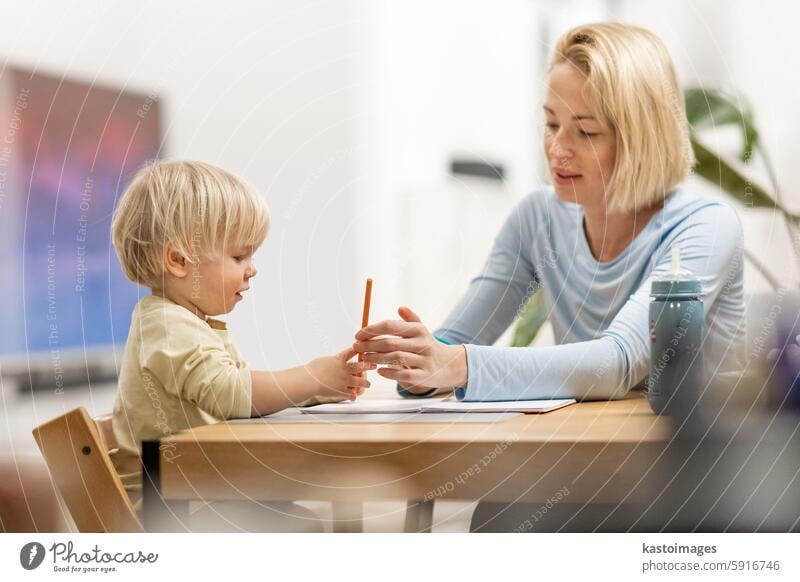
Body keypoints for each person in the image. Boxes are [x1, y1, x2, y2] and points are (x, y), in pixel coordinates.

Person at [353, 22, 745, 531]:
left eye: (585, 131)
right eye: (550, 123)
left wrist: (454, 364)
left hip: (700, 480)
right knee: (497, 518)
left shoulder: (704, 226)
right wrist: (413, 360)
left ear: (639, 139)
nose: (558, 149)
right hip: (589, 469)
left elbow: (618, 361)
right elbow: (458, 344)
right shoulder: (537, 218)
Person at [110, 160, 373, 531]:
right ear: (178, 260)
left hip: (198, 491)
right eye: (239, 256)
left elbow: (240, 398)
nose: (252, 269)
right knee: (304, 521)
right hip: (169, 509)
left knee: (304, 510)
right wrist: (312, 377)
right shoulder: (165, 324)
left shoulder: (193, 323)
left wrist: (322, 387)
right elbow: (229, 394)